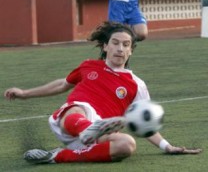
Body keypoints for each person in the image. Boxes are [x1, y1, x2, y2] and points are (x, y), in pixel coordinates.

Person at [4, 21, 202, 164]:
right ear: (106, 46)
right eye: (115, 43)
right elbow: (61, 85)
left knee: (127, 145)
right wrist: (24, 93)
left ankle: (57, 156)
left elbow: (144, 123)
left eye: (126, 45)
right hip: (73, 120)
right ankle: (89, 128)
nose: (120, 49)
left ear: (131, 51)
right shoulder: (88, 66)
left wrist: (166, 146)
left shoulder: (136, 84)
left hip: (99, 136)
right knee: (78, 108)